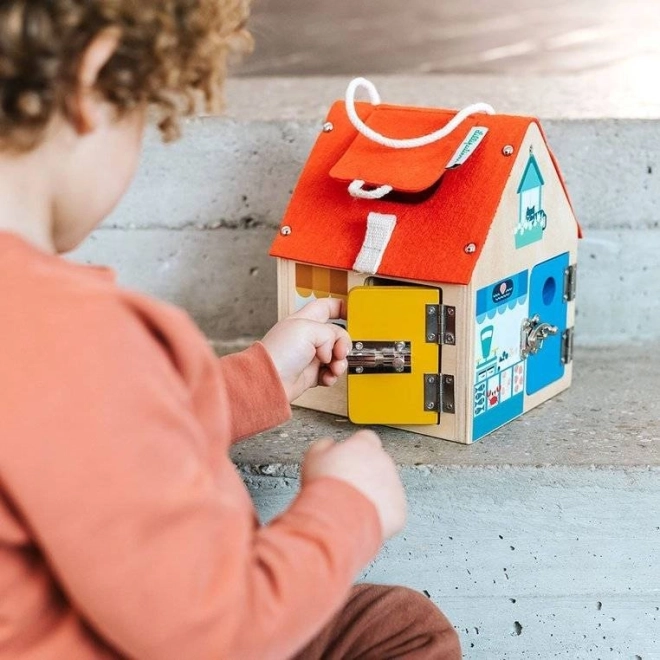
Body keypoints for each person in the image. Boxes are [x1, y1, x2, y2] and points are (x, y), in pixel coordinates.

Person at [0, 1, 461, 658]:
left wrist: (256, 380)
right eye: (144, 119)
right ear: (91, 83)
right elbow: (214, 635)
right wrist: (346, 507)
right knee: (404, 637)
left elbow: (86, 440)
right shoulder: (70, 335)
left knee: (385, 620)